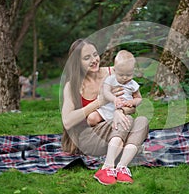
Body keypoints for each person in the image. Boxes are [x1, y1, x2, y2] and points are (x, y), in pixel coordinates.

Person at [61, 38, 149, 185]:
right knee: (127, 122)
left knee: (142, 121)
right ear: (77, 62)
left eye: (95, 54)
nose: (94, 60)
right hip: (88, 136)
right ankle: (108, 167)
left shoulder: (113, 73)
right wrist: (100, 102)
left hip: (114, 129)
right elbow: (67, 121)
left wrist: (119, 110)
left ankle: (121, 167)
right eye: (87, 58)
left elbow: (132, 106)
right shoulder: (72, 86)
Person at [87, 50, 142, 127]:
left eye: (129, 74)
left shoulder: (133, 84)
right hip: (106, 109)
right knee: (91, 118)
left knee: (125, 124)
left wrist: (132, 102)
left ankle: (112, 129)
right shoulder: (110, 80)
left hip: (122, 111)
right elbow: (106, 93)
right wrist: (114, 99)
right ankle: (103, 127)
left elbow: (139, 98)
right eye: (121, 74)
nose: (125, 77)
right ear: (115, 70)